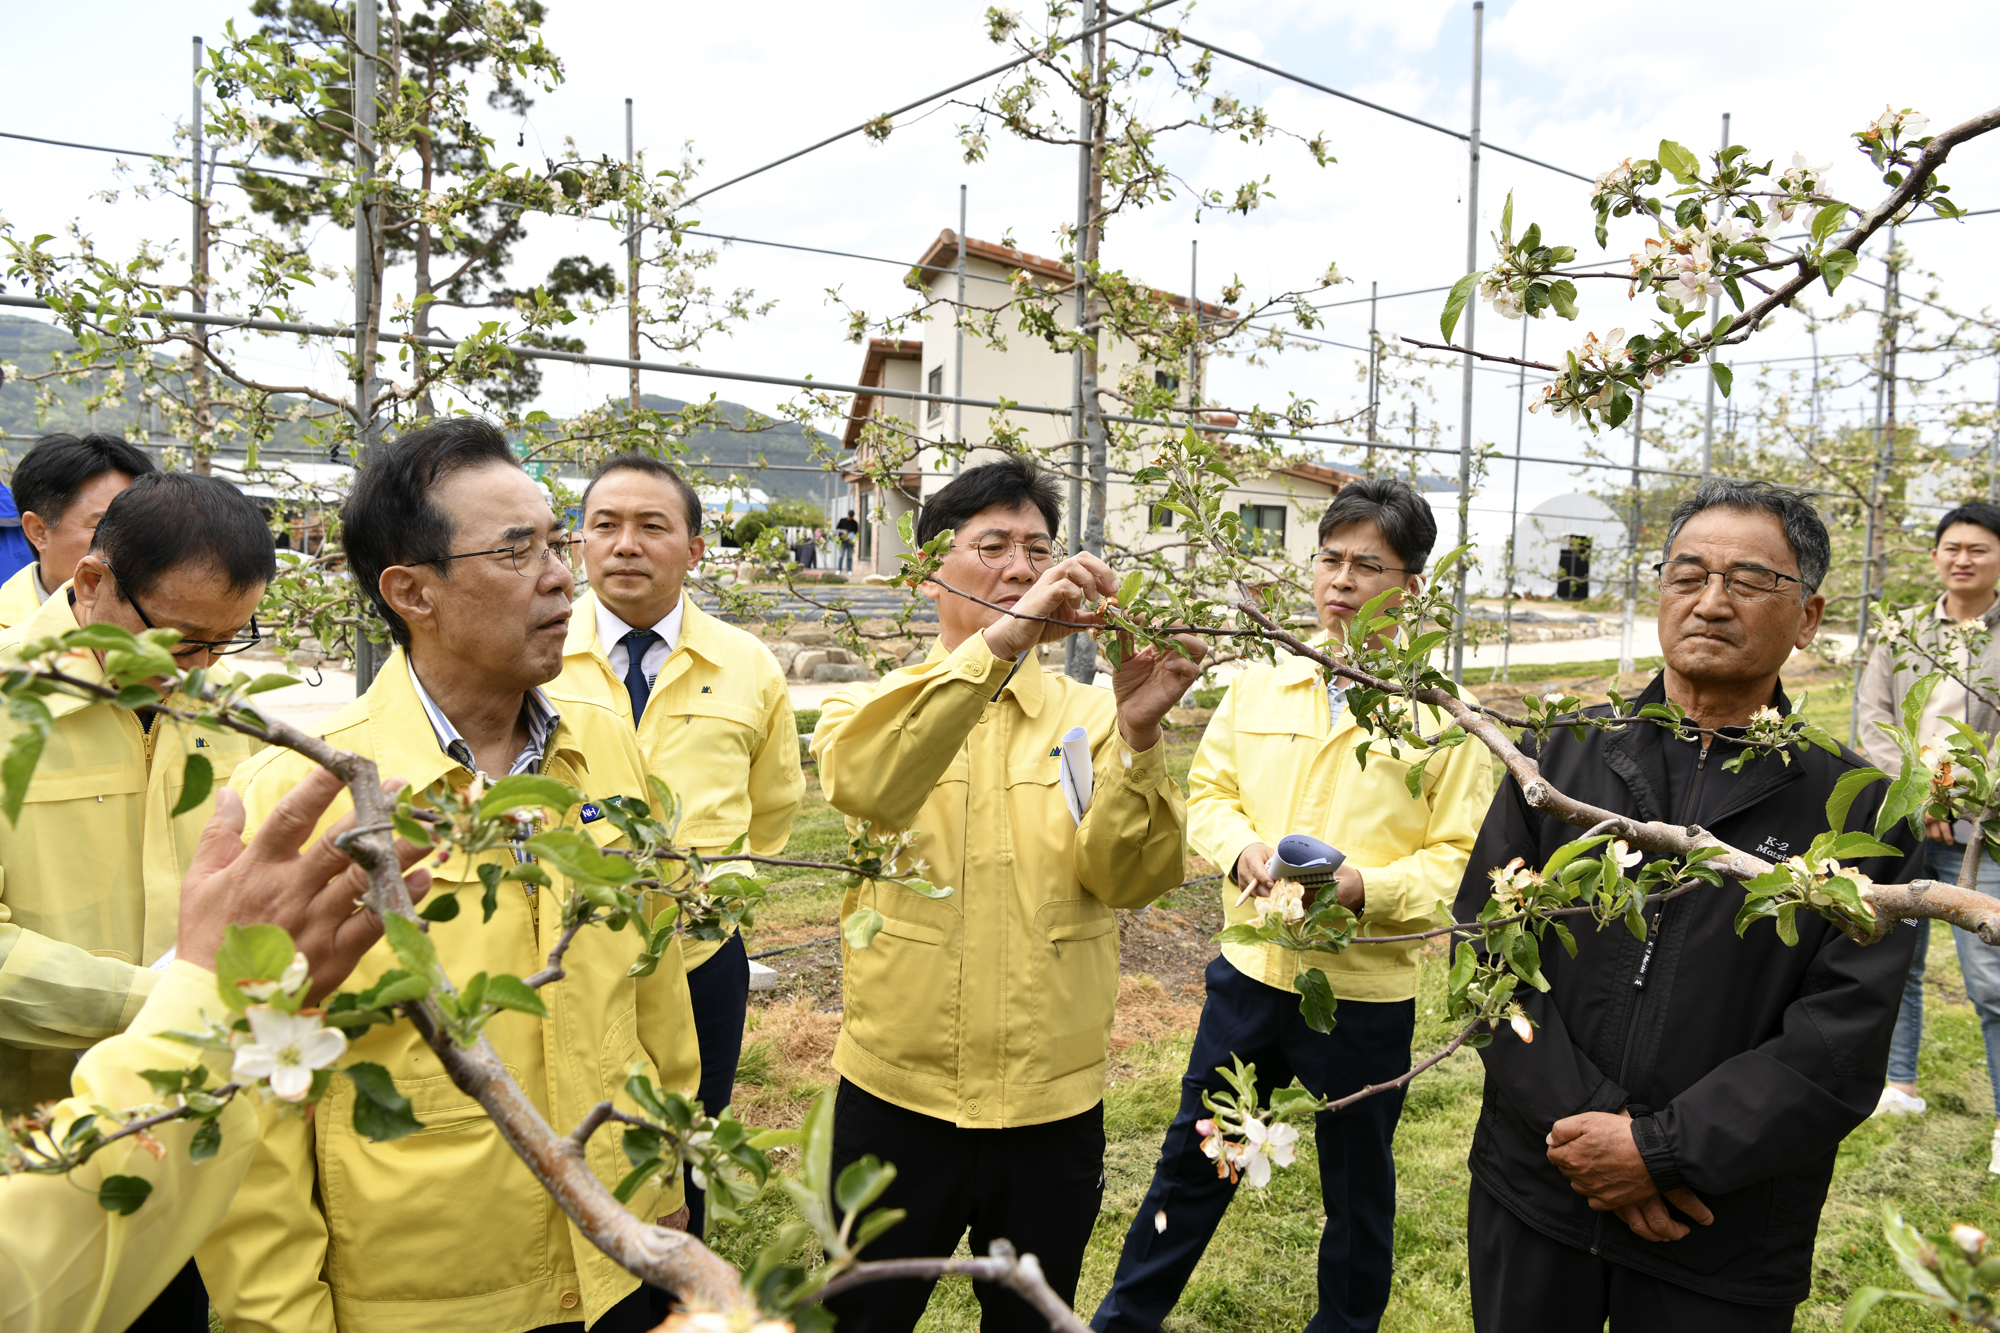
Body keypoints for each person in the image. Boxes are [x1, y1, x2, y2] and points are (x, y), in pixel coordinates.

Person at [195, 419, 703, 1333]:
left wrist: (664, 1187)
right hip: (430, 1303)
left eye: (556, 541)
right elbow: (254, 1127)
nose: (561, 574)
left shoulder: (603, 741)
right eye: (517, 550)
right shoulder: (309, 803)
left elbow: (651, 983)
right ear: (411, 591)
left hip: (613, 1263)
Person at [1454, 479, 1924, 1332]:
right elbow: (1487, 955)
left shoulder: (1857, 811)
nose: (1710, 602)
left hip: (1717, 1230)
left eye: (1748, 581)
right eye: (1687, 574)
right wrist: (1589, 1134)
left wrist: (1660, 1150)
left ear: (1809, 616)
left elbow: (1839, 1041)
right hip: (1541, 1188)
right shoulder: (1561, 754)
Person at [1092, 479, 1497, 1333]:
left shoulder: (1440, 719)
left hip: (1361, 995)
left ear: (1412, 586)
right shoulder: (1267, 679)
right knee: (1197, 1161)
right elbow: (1212, 788)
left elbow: (1456, 865)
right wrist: (1239, 846)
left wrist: (1364, 889)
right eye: (1330, 558)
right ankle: (1124, 1320)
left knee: (1357, 1186)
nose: (1341, 580)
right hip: (1250, 973)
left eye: (1367, 565)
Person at [810, 457, 1204, 1333]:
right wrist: (997, 645)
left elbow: (1132, 877)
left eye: (1037, 548)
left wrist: (1139, 735)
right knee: (862, 1317)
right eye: (992, 546)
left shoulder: (1089, 715)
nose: (1022, 569)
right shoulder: (868, 706)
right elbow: (870, 784)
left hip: (1050, 1102)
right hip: (897, 1096)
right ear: (927, 572)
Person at [0, 766, 433, 1333]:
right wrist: (196, 997)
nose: (200, 670)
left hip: (193, 1148)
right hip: (48, 1146)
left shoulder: (240, 735)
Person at [555, 452, 803, 1236]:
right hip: (565, 951)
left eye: (652, 526)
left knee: (687, 1136)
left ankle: (674, 1294)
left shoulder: (746, 663)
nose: (626, 543)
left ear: (695, 548)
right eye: (606, 525)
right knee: (569, 1130)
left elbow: (772, 810)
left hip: (700, 954)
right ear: (579, 543)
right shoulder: (533, 655)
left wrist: (712, 892)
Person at [0, 471, 273, 1116]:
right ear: (93, 583)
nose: (198, 669)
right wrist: (161, 1003)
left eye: (224, 642)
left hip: (199, 1115)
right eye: (179, 640)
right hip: (39, 1127)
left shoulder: (234, 715)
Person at [1857, 501, 2000, 1156]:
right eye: (1952, 547)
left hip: (1984, 830)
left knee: (1990, 973)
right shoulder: (1903, 630)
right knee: (1897, 961)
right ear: (1937, 555)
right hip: (1909, 824)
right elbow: (1873, 721)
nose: (1963, 558)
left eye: (1978, 547)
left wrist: (1964, 799)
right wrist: (1920, 800)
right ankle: (1901, 1083)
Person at [0, 432, 155, 629]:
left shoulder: (183, 626)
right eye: (104, 526)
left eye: (140, 527)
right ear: (39, 531)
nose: (131, 546)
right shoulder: (6, 635)